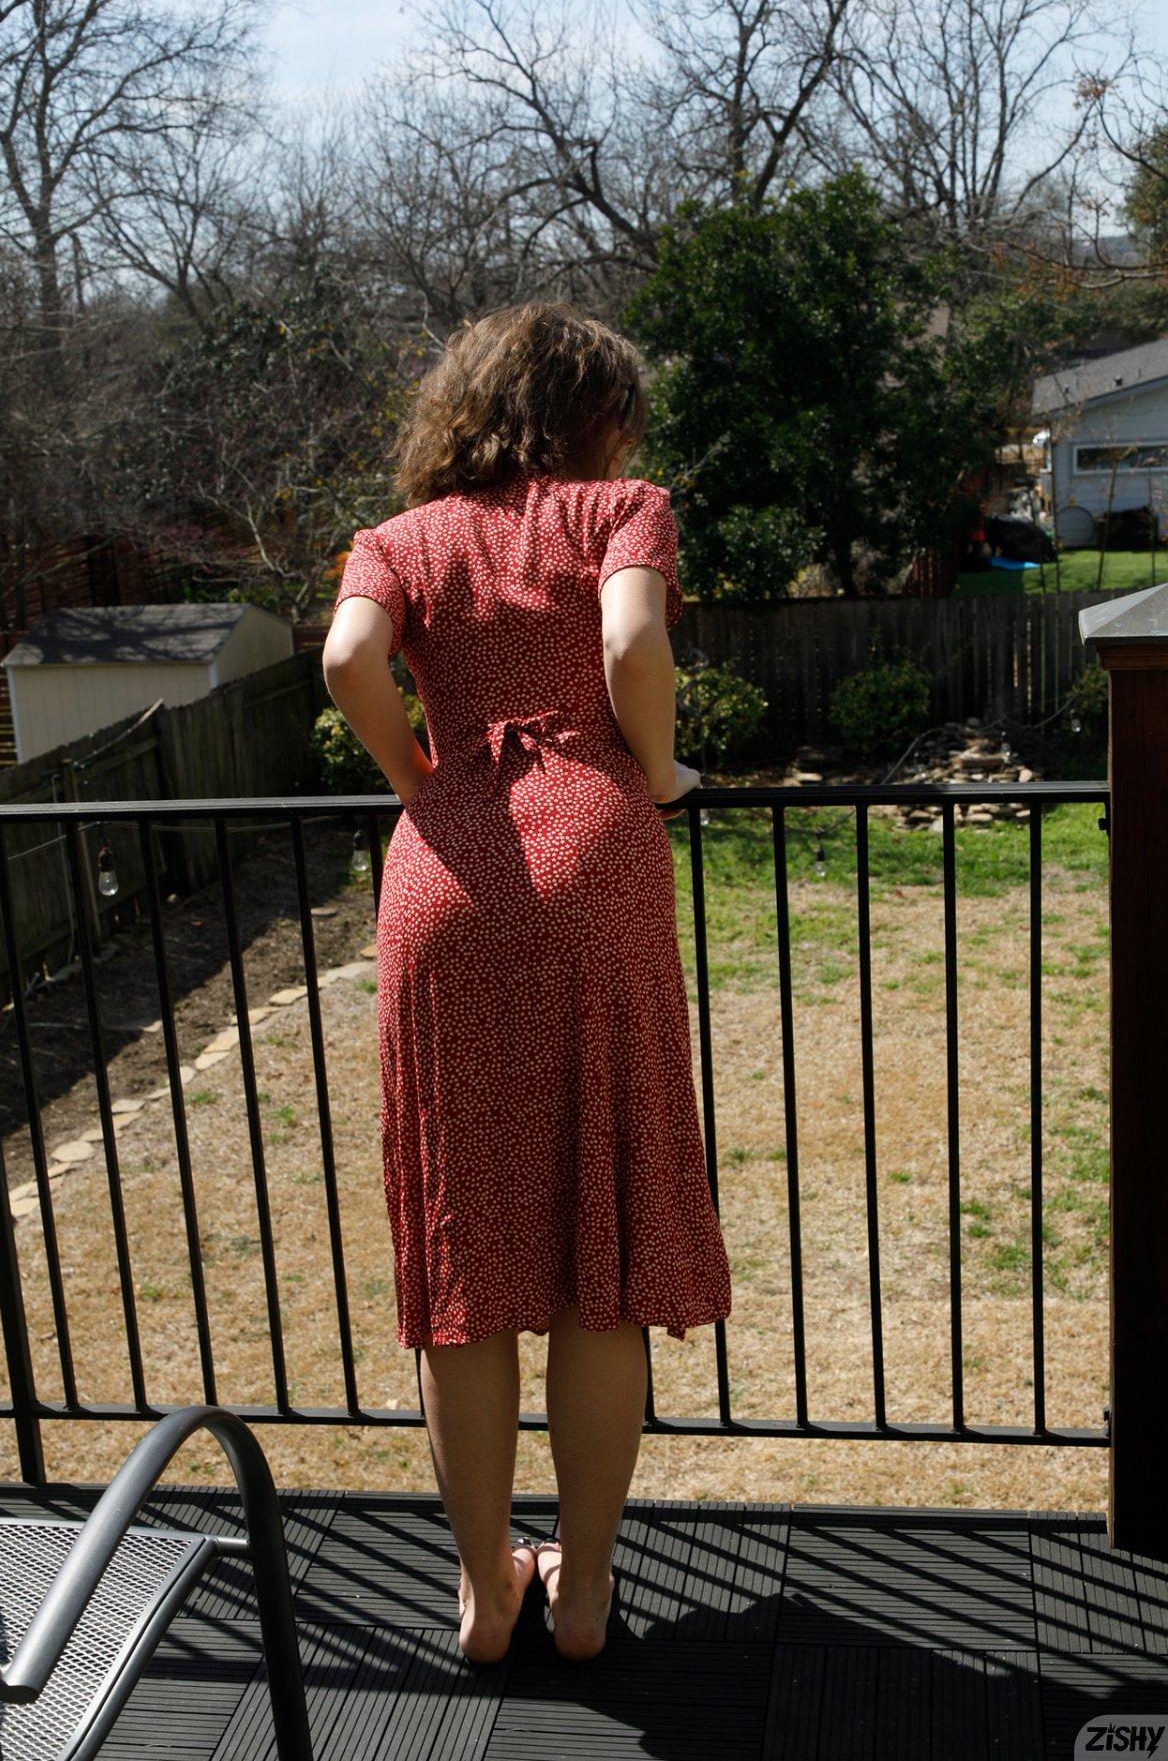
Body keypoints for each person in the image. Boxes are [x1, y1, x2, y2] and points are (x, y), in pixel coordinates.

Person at [322, 302, 731, 1667]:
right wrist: (655, 771)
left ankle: (485, 1589)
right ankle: (585, 1592)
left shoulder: (400, 540)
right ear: (595, 414)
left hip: (448, 876)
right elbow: (630, 650)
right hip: (597, 864)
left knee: (468, 1251)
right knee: (597, 1248)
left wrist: (419, 780)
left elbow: (346, 660)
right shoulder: (622, 508)